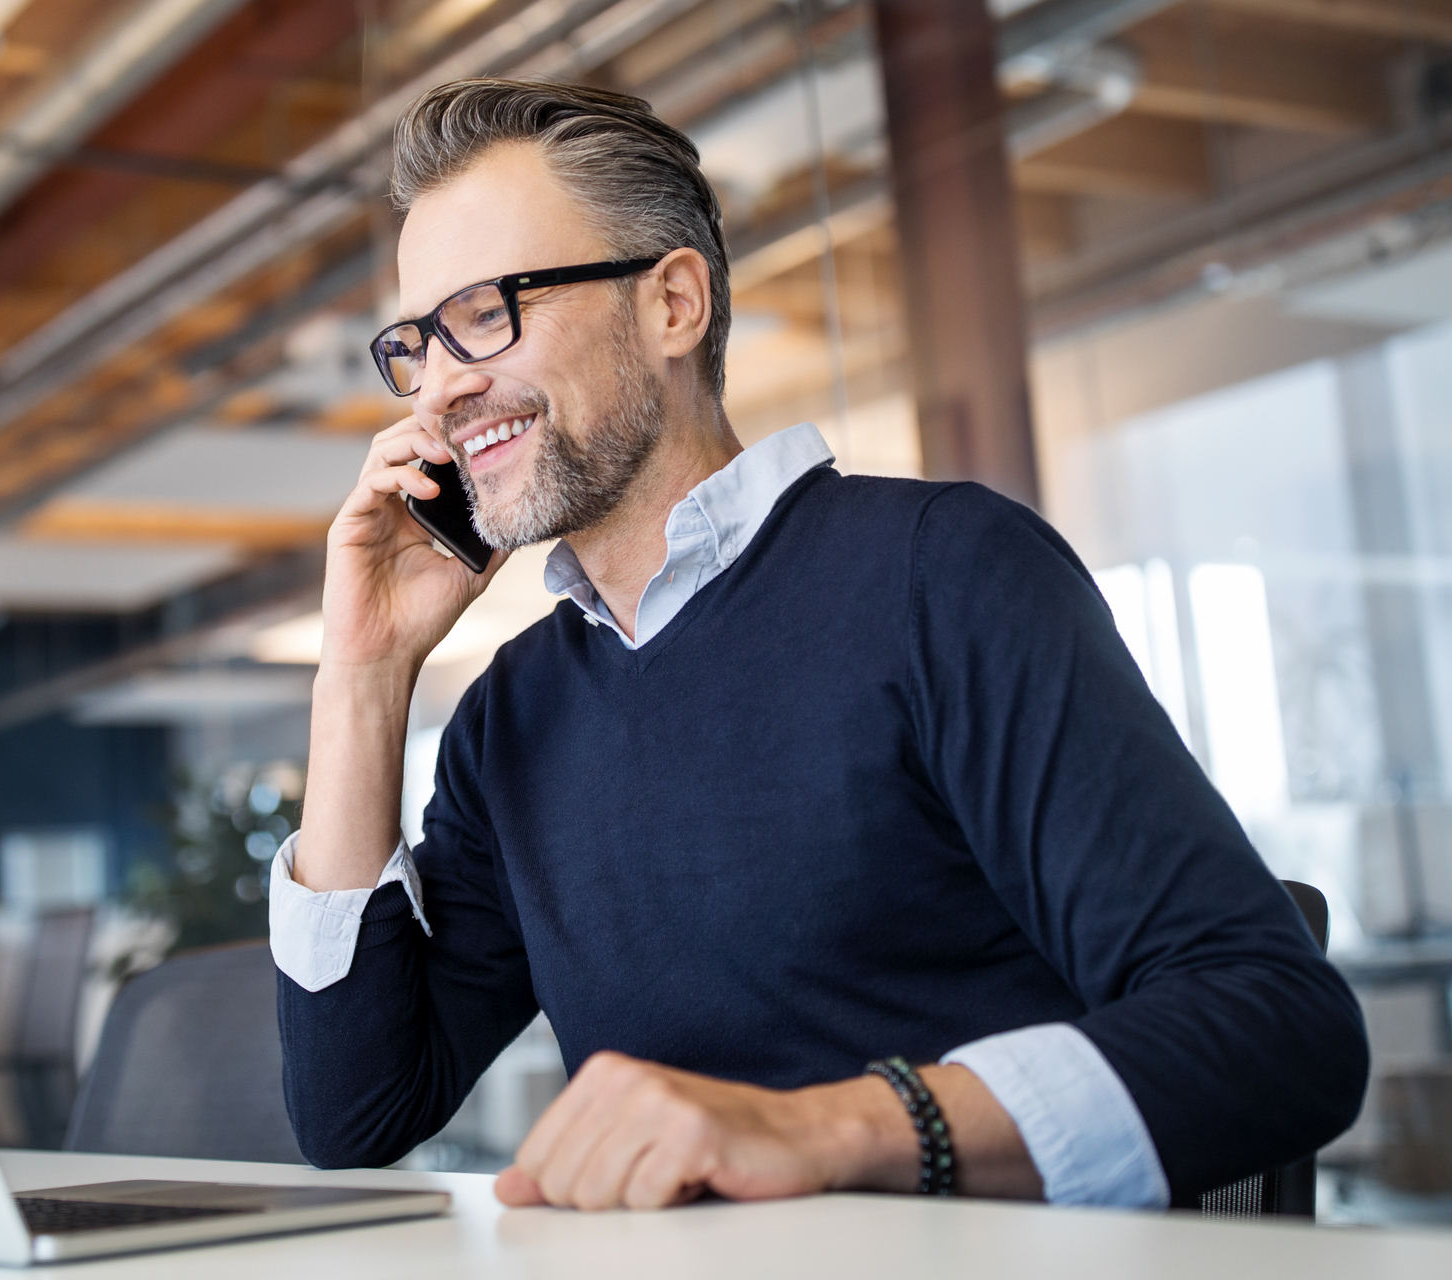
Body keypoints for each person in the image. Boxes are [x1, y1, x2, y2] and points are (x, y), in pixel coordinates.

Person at [266, 78, 1367, 1212]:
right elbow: (359, 1111)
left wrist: (822, 1128)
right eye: (415, 343)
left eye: (488, 311)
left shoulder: (944, 573)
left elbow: (1278, 1026)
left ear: (673, 305)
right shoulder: (514, 714)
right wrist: (361, 674)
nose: (441, 388)